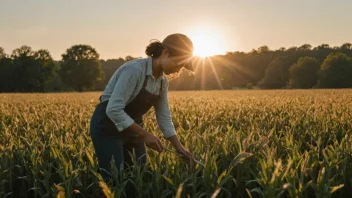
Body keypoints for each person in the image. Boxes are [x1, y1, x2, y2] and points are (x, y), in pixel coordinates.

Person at [89, 33, 196, 182]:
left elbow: (164, 117)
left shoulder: (162, 83)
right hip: (107, 127)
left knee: (138, 175)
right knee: (114, 180)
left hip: (133, 129)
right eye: (177, 64)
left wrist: (179, 147)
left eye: (181, 68)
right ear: (165, 53)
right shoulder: (135, 70)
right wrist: (145, 135)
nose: (178, 71)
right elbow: (113, 109)